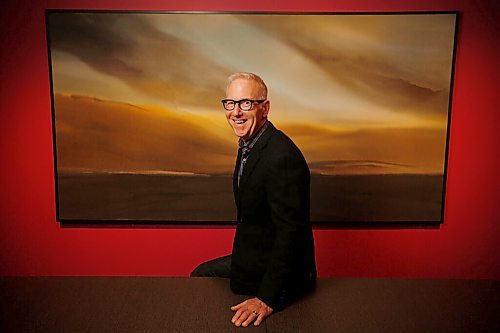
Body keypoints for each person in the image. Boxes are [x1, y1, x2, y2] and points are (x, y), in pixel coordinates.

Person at [190, 72, 316, 327]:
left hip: (284, 272)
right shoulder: (251, 143)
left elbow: (291, 233)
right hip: (254, 257)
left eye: (246, 103)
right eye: (231, 103)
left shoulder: (282, 157)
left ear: (265, 108)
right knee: (200, 274)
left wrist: (266, 299)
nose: (236, 112)